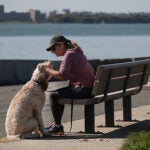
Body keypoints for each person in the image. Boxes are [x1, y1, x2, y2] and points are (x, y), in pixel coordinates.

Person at [45, 35, 95, 135]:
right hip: (90, 88)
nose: (53, 52)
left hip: (82, 89)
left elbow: (62, 75)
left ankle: (58, 126)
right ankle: (57, 124)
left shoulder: (69, 54)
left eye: (53, 49)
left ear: (61, 45)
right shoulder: (77, 52)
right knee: (59, 93)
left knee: (53, 95)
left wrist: (47, 70)